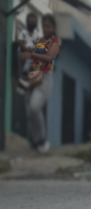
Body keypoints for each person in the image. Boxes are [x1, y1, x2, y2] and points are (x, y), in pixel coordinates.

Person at [25, 14, 60, 154]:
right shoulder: (40, 41)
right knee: (30, 111)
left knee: (34, 107)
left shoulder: (55, 42)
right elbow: (34, 62)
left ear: (53, 28)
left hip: (45, 80)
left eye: (48, 26)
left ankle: (42, 139)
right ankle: (36, 141)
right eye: (44, 26)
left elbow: (48, 58)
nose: (45, 29)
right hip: (35, 77)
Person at [18, 12, 42, 89]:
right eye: (30, 21)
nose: (31, 23)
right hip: (23, 52)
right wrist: (28, 49)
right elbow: (21, 45)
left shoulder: (37, 34)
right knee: (27, 55)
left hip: (32, 54)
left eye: (33, 22)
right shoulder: (24, 32)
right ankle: (24, 74)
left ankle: (29, 79)